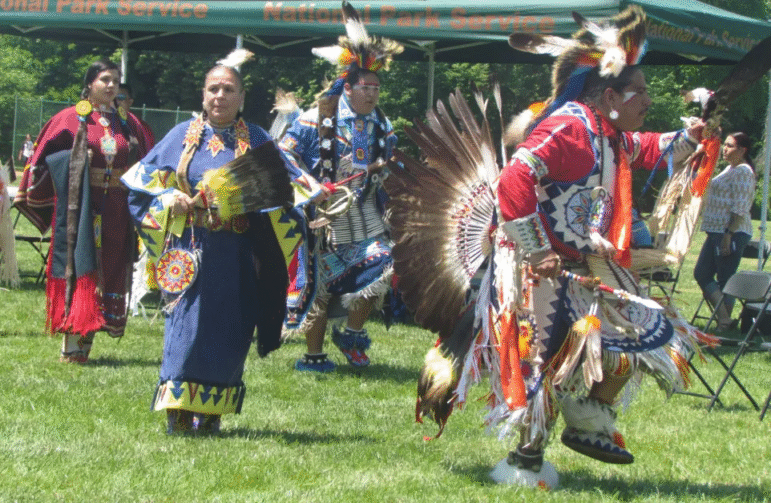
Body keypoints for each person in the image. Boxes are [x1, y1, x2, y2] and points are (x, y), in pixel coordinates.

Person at [395, 7, 717, 489]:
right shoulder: (570, 127)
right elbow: (515, 178)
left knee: (648, 329)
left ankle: (589, 415)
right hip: (536, 264)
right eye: (642, 91)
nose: (649, 99)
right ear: (610, 95)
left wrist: (687, 138)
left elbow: (648, 148)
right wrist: (535, 250)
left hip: (582, 260)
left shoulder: (607, 132)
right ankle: (526, 459)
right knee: (541, 358)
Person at [121, 49, 310, 435]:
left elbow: (289, 189)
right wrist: (166, 199)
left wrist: (309, 201)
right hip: (189, 253)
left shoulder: (256, 138)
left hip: (238, 253)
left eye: (228, 89)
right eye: (213, 89)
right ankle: (177, 412)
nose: (219, 96)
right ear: (202, 95)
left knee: (230, 329)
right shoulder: (181, 137)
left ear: (241, 97)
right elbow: (139, 184)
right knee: (184, 328)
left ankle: (210, 413)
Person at [278, 2, 402, 372]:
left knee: (384, 263)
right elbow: (285, 155)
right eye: (367, 87)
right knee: (320, 285)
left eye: (378, 88)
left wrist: (383, 171)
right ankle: (314, 356)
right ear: (348, 87)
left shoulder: (382, 124)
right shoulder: (316, 117)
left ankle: (350, 333)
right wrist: (312, 185)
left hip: (364, 211)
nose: (374, 94)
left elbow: (390, 166)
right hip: (322, 215)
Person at [13, 58, 152, 362]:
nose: (111, 85)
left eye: (115, 80)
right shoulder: (69, 119)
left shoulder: (128, 122)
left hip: (116, 209)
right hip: (81, 209)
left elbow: (149, 161)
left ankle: (88, 338)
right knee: (80, 264)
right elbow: (40, 160)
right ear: (90, 83)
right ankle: (72, 342)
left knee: (110, 267)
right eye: (104, 79)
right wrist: (75, 159)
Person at [693, 132, 756, 331]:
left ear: (742, 150)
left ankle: (724, 321)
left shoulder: (744, 171)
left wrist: (729, 234)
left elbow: (741, 206)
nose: (725, 149)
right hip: (716, 231)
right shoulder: (730, 169)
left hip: (731, 232)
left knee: (725, 279)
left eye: (729, 146)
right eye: (725, 145)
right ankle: (724, 318)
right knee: (701, 273)